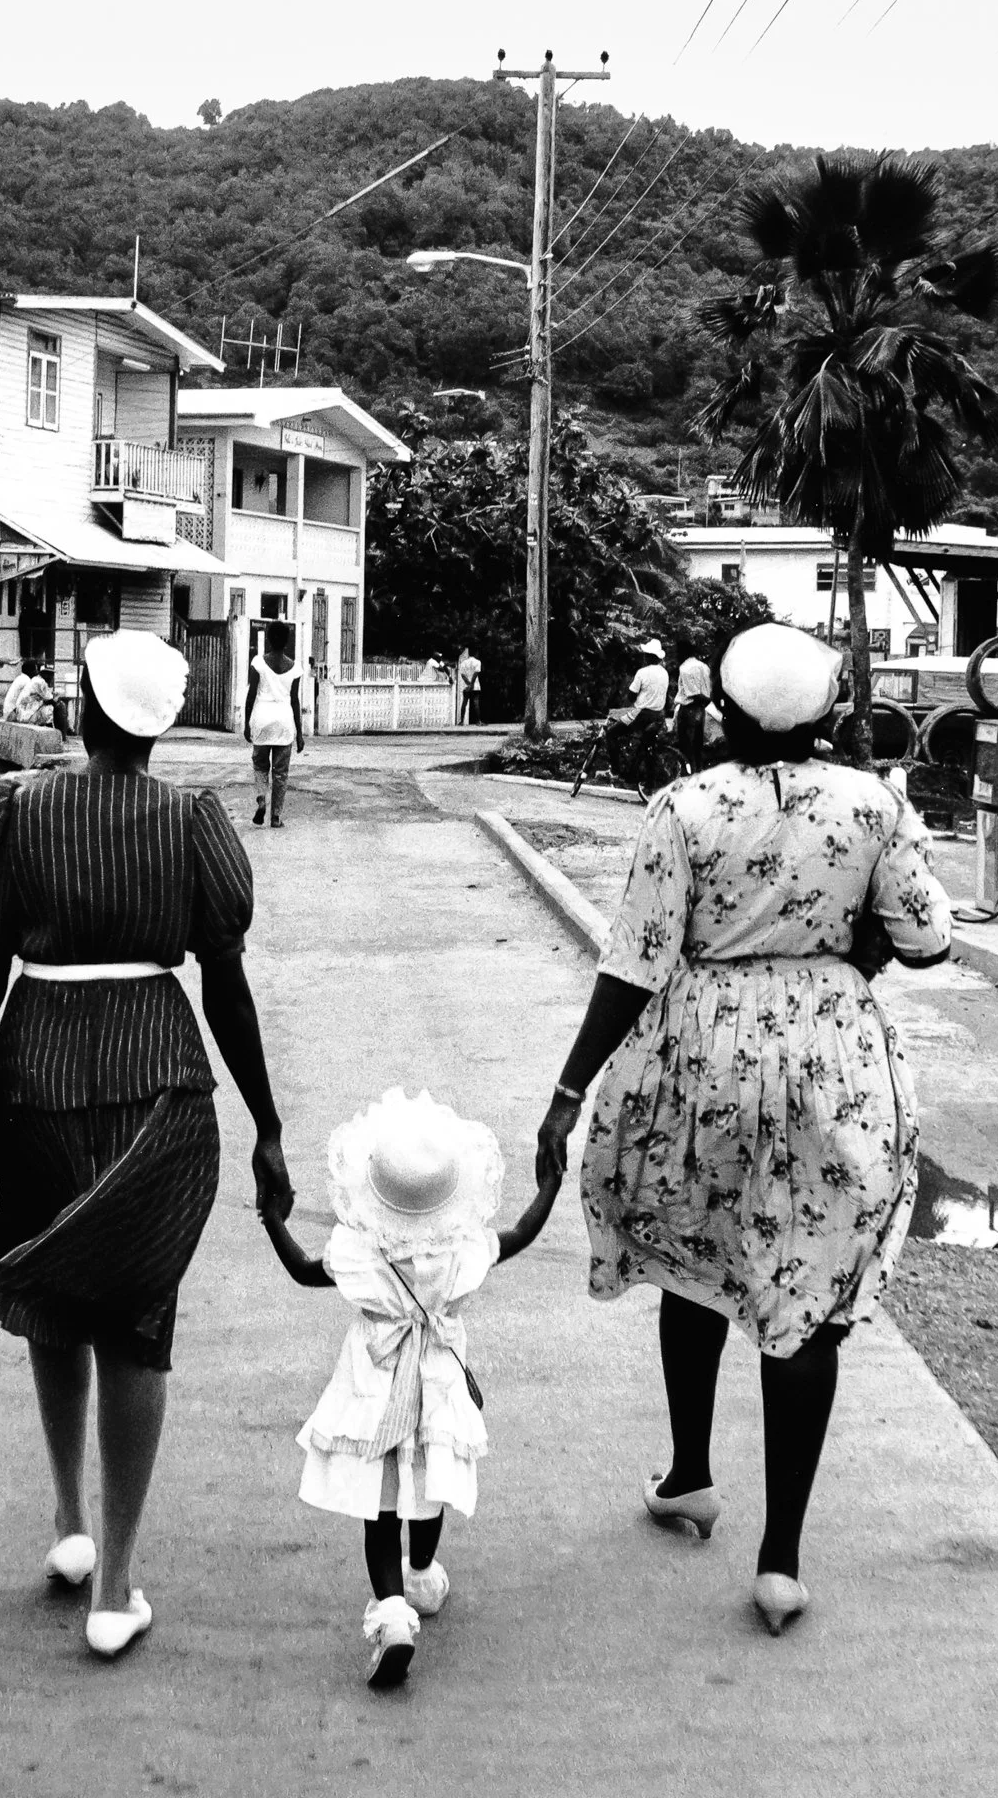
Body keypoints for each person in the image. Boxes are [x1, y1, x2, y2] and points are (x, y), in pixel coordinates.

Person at [535, 623, 951, 1638]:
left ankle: (688, 1473)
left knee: (695, 1253)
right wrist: (855, 941)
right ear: (828, 713)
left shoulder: (683, 808)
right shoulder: (873, 805)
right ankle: (780, 1562)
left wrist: (569, 1089)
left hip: (700, 1054)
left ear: (718, 709)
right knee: (800, 1294)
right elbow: (927, 940)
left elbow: (633, 961)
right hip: (831, 1060)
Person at [0, 629, 294, 1660]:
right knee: (136, 1317)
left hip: (35, 1070)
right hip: (155, 1080)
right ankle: (115, 1585)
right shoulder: (192, 822)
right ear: (160, 728)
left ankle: (68, 1523)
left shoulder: (19, 808)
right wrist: (266, 1123)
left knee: (52, 1289)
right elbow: (225, 985)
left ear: (84, 711)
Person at [262, 1089, 560, 1688]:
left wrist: (274, 1217)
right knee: (429, 1482)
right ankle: (421, 1571)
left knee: (380, 1507)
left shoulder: (359, 1251)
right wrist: (548, 1187)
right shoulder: (464, 1250)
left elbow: (301, 1270)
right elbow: (521, 1234)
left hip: (373, 1389)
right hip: (438, 1384)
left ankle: (393, 1614)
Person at [244, 621, 303, 828]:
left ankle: (262, 798)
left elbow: (251, 695)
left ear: (268, 639)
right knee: (281, 773)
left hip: (262, 720)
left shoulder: (258, 663)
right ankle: (276, 817)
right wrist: (300, 734)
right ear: (286, 641)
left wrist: (246, 724)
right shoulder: (295, 668)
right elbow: (295, 701)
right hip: (284, 723)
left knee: (260, 765)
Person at [673, 640, 713, 774]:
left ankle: (689, 775)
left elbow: (694, 694)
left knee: (686, 747)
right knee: (697, 746)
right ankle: (699, 773)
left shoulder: (685, 668)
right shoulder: (704, 667)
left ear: (683, 652)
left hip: (689, 709)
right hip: (701, 709)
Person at [3, 657, 69, 738]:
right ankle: (60, 735)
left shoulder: (35, 680)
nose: (51, 677)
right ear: (44, 674)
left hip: (21, 713)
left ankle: (59, 733)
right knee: (59, 706)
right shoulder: (39, 682)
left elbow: (46, 697)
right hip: (24, 715)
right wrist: (56, 697)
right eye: (50, 674)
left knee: (51, 707)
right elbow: (51, 700)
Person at [627, 638, 669, 735]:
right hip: (659, 715)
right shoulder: (665, 673)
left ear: (647, 657)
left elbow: (631, 696)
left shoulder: (642, 672)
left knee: (612, 732)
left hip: (642, 715)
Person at [458, 647, 483, 725]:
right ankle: (478, 721)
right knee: (476, 702)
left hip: (466, 686)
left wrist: (468, 684)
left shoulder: (463, 663)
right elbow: (476, 673)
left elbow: (462, 675)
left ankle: (462, 721)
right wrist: (472, 684)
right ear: (476, 653)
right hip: (475, 686)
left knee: (464, 703)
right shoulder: (478, 662)